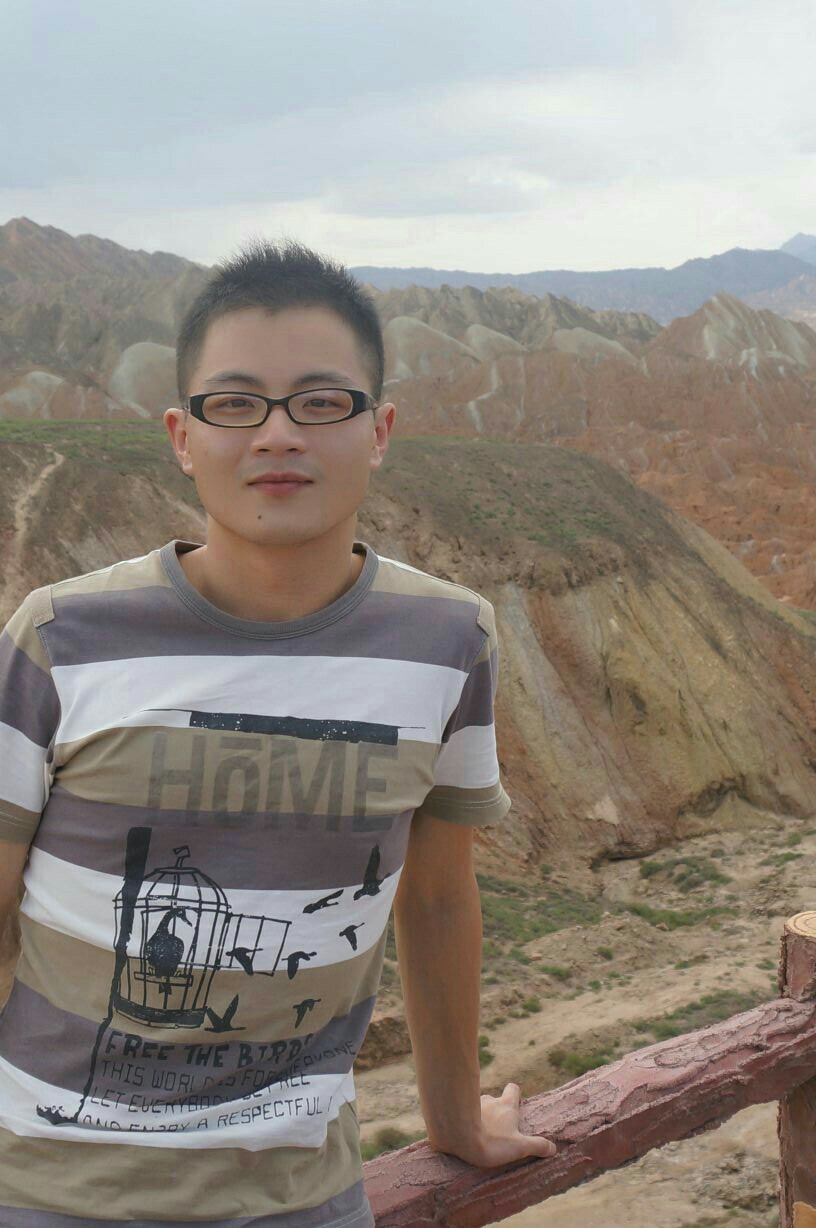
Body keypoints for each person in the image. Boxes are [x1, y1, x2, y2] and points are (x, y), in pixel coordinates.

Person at [0, 239, 556, 1227]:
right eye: (236, 404)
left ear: (379, 430)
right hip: (43, 1192)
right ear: (183, 436)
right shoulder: (60, 637)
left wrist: (456, 1119)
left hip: (300, 1200)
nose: (277, 435)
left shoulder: (449, 642)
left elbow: (437, 901)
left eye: (321, 402)